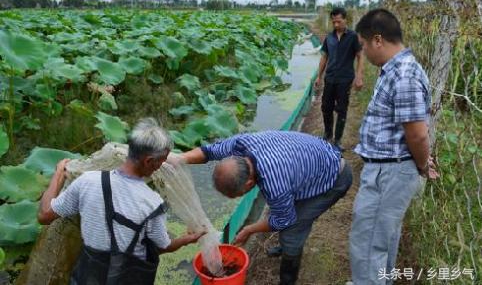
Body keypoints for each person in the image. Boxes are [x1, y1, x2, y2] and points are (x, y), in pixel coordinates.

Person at [170, 130, 353, 285]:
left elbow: (284, 219)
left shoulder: (275, 182)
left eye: (237, 195)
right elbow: (209, 151)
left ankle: (288, 275)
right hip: (308, 164)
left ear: (249, 183)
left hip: (333, 178)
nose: (238, 197)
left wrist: (249, 229)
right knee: (283, 207)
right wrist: (179, 159)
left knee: (292, 227)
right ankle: (285, 247)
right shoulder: (241, 144)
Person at [38, 118, 204, 285]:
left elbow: (45, 215)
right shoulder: (152, 204)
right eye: (162, 161)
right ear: (148, 161)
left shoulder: (87, 181)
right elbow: (162, 247)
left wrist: (59, 174)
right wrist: (187, 239)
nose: (161, 166)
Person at [348, 9, 438, 285]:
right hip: (388, 170)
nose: (363, 51)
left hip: (391, 172)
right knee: (382, 238)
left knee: (368, 242)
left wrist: (423, 164)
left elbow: (418, 134)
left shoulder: (404, 75)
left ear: (377, 40)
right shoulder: (395, 70)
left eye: (363, 44)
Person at [315, 7, 364, 151]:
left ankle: (337, 140)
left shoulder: (353, 37)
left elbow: (360, 56)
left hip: (345, 79)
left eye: (339, 21)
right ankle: (327, 134)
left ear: (345, 20)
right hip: (329, 78)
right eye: (334, 22)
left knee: (342, 109)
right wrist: (319, 77)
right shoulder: (329, 38)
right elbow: (324, 57)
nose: (336, 25)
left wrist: (359, 76)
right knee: (326, 107)